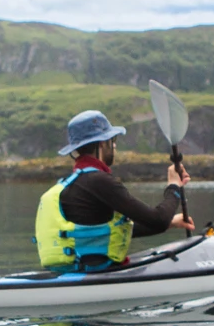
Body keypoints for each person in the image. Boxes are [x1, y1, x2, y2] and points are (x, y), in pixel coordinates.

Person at [35, 110, 192, 272]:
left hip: (74, 269)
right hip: (96, 271)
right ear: (102, 144)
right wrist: (174, 186)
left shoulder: (74, 183)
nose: (115, 145)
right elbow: (158, 221)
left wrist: (171, 222)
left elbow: (112, 232)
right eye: (113, 140)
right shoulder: (100, 181)